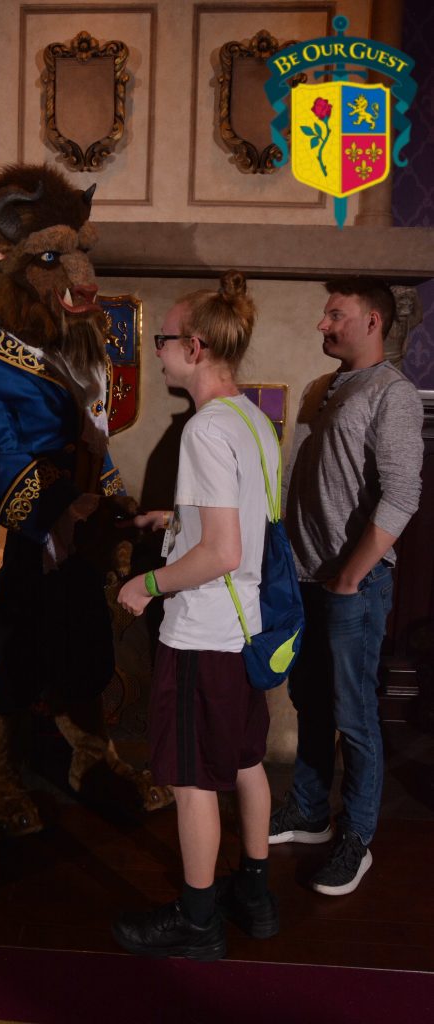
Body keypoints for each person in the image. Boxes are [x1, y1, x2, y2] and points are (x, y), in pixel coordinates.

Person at [112, 271, 279, 961]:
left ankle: (198, 919)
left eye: (165, 339)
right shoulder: (251, 418)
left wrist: (146, 583)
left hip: (203, 633)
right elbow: (236, 522)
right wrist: (171, 519)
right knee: (243, 759)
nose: (156, 350)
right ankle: (255, 893)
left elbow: (219, 550)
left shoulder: (204, 430)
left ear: (198, 345)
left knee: (189, 780)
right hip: (245, 630)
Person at [269, 276, 424, 895]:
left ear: (373, 323)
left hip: (351, 590)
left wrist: (350, 577)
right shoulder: (324, 389)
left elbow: (404, 494)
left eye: (336, 314)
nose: (322, 324)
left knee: (354, 716)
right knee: (310, 702)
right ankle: (308, 811)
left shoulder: (394, 393)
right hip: (305, 580)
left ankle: (356, 837)